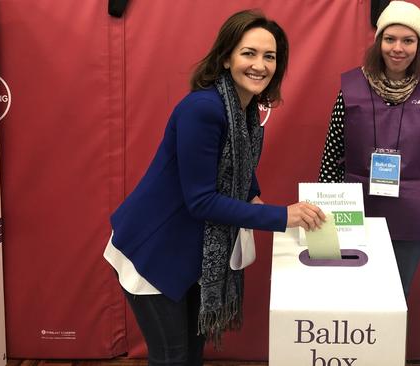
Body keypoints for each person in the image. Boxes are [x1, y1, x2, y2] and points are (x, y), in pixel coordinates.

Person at [104, 9, 325, 366]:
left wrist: (254, 195)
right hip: (153, 250)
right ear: (225, 58)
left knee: (192, 354)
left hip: (191, 254)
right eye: (248, 53)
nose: (260, 65)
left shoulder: (248, 110)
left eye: (269, 56)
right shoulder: (203, 109)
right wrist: (282, 216)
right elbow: (202, 201)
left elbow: (240, 169)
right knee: (173, 357)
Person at [318, 1, 420, 299]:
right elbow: (333, 153)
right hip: (354, 213)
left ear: (418, 45)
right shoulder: (352, 88)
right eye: (390, 38)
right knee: (352, 296)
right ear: (378, 40)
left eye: (408, 40)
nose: (398, 48)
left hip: (410, 215)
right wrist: (329, 211)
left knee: (396, 298)